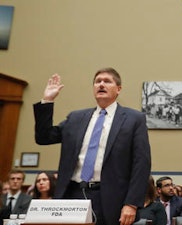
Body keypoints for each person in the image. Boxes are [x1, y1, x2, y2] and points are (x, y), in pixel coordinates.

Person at [33, 68, 151, 225]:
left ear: (119, 89)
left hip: (109, 198)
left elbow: (141, 163)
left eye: (107, 81)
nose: (101, 84)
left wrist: (131, 204)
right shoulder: (76, 118)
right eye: (97, 81)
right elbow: (44, 137)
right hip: (71, 194)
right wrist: (47, 100)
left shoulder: (134, 119)